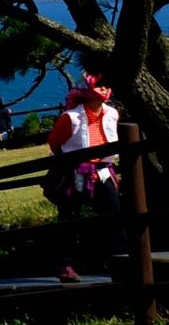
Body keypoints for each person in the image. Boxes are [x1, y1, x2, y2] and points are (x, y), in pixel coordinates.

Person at [46, 80, 123, 280]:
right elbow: (55, 144)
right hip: (75, 173)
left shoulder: (112, 113)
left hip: (104, 171)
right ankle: (65, 265)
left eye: (106, 84)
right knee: (70, 218)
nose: (104, 88)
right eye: (98, 85)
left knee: (114, 216)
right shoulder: (70, 118)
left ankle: (119, 261)